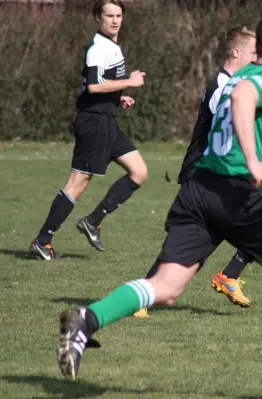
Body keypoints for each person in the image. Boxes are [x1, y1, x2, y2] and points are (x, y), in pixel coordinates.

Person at [56, 12, 262, 390]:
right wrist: (255, 160)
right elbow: (243, 100)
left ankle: (87, 319)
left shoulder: (239, 75)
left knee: (167, 287)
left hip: (198, 189)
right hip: (233, 192)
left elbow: (243, 114)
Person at [133, 26, 262, 317]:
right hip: (207, 168)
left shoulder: (236, 82)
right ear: (236, 52)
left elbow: (247, 127)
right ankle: (158, 288)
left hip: (224, 169)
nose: (258, 58)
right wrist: (261, 158)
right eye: (253, 52)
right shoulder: (223, 86)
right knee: (194, 240)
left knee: (205, 236)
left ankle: (218, 277)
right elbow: (230, 130)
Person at [29, 0, 148, 260]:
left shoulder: (112, 47)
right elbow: (93, 87)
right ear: (98, 17)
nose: (115, 20)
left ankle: (93, 221)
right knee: (78, 182)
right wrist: (129, 82)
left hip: (107, 120)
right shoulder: (98, 48)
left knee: (139, 172)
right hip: (93, 122)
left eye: (118, 15)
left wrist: (119, 97)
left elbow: (101, 85)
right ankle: (43, 240)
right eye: (109, 15)